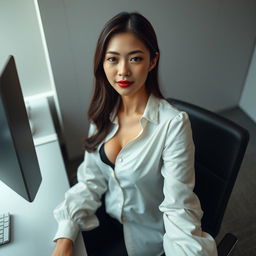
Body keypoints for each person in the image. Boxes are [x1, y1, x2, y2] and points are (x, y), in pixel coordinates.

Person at [51, 12, 218, 256]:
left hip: (148, 241)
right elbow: (90, 181)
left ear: (152, 61)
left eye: (135, 59)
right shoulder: (102, 113)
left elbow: (178, 207)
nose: (122, 71)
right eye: (113, 59)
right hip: (105, 221)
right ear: (102, 63)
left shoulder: (173, 125)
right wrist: (65, 235)